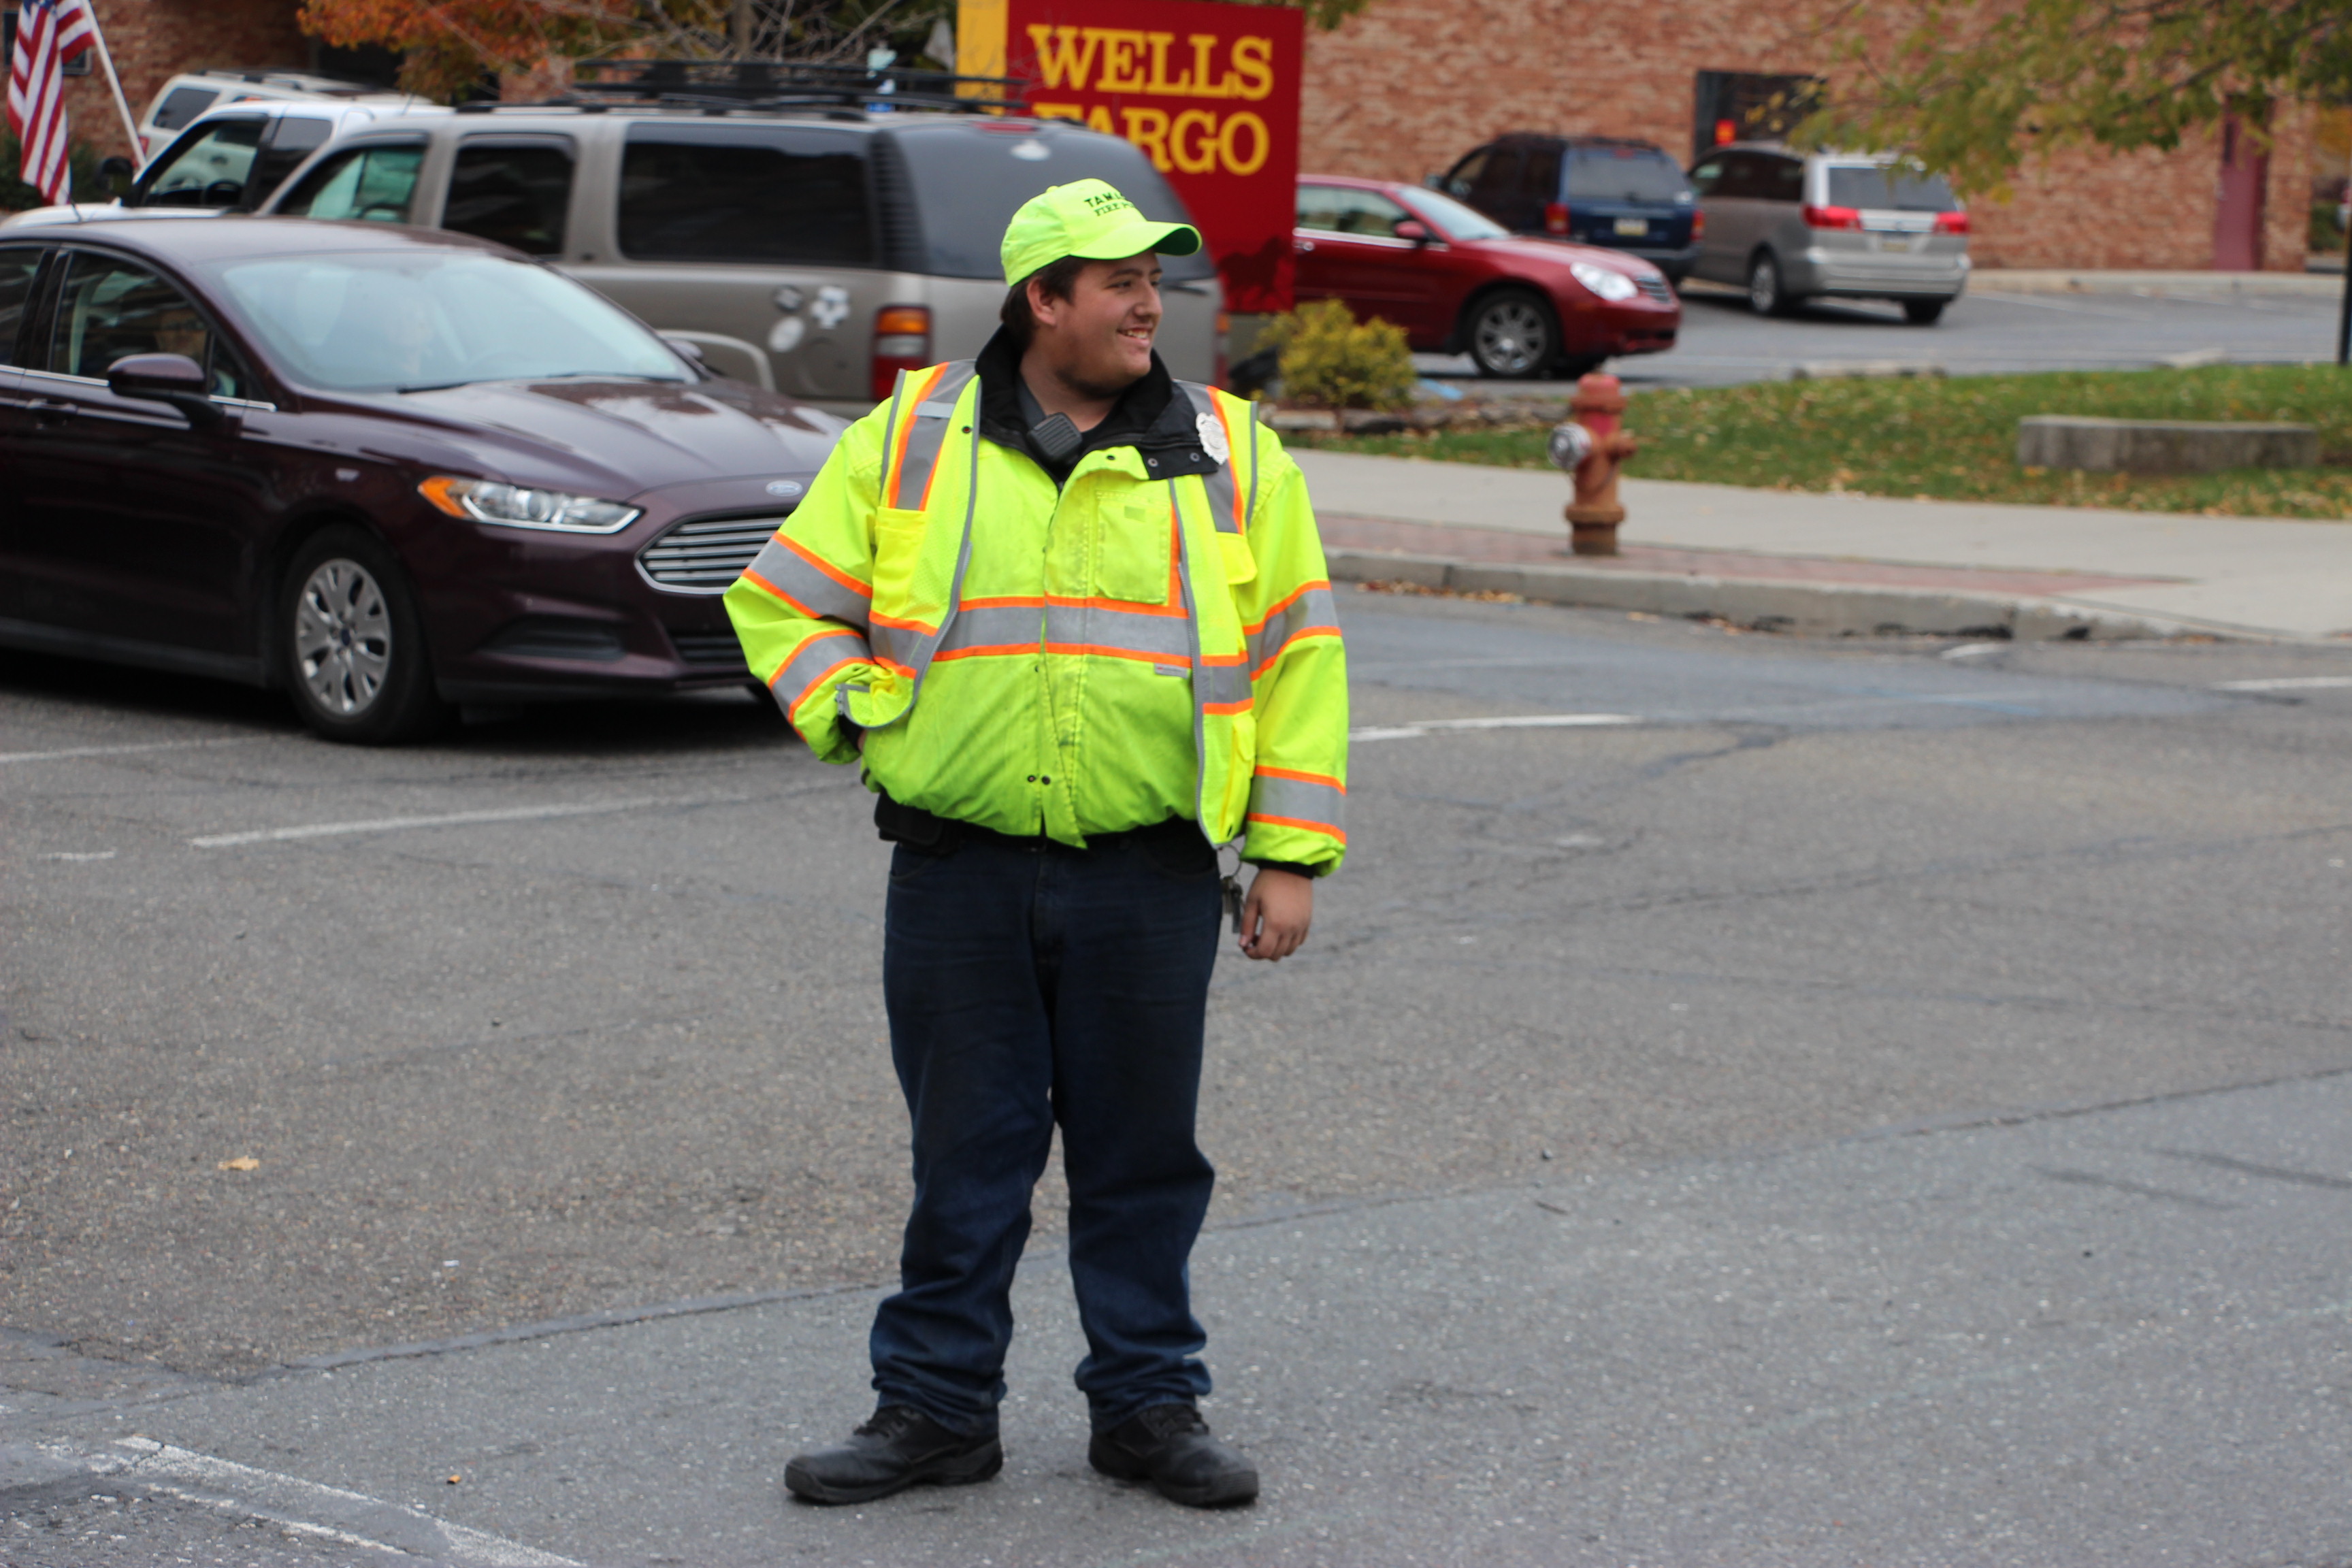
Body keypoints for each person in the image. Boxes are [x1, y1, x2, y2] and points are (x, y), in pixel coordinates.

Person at [723, 178, 1348, 1512]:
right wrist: (861, 715)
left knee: (1144, 1162)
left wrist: (1291, 855)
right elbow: (782, 601)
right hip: (960, 869)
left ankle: (1148, 1407)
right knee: (967, 1160)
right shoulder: (914, 436)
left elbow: (1299, 657)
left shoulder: (1231, 450)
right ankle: (937, 1411)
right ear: (1042, 301)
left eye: (1155, 281)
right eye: (1120, 282)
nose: (1148, 305)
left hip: (1150, 874)